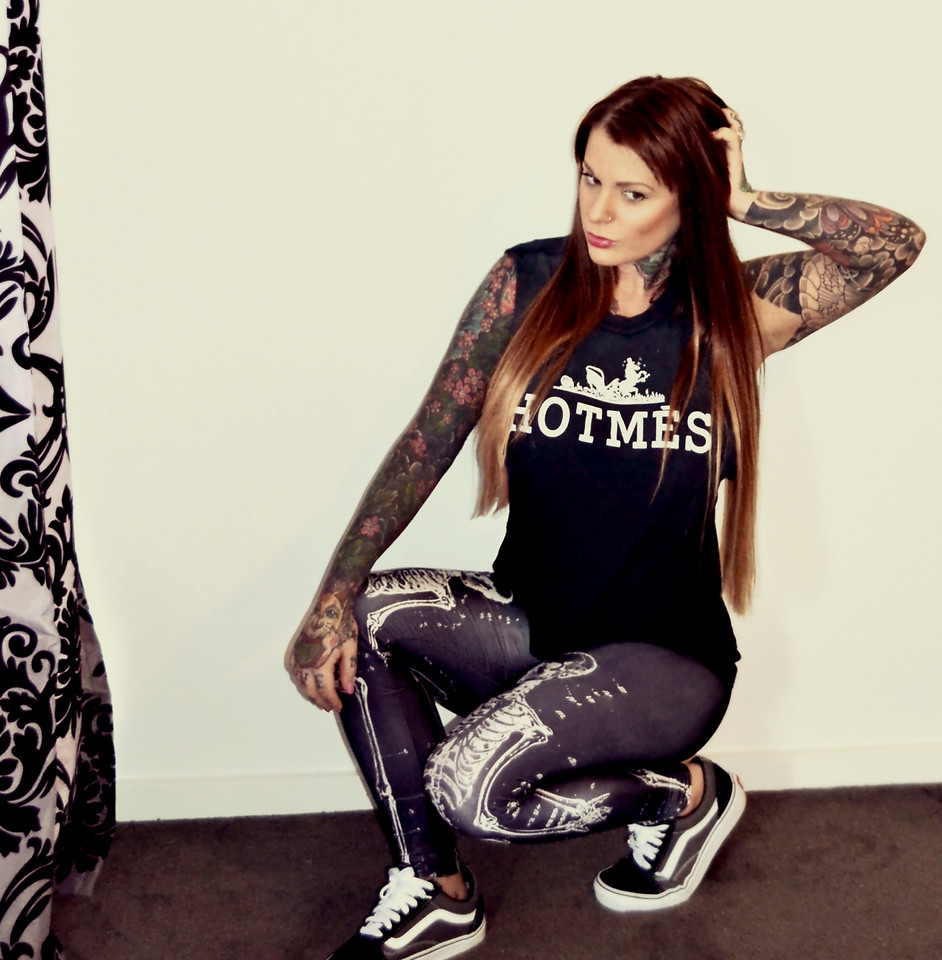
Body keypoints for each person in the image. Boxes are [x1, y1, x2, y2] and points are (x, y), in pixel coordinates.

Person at [285, 76, 925, 960]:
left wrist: (742, 197)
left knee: (469, 788)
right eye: (591, 178)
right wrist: (333, 591)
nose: (599, 210)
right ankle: (435, 888)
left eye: (633, 192)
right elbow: (429, 437)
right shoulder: (526, 283)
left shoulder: (737, 311)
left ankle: (683, 797)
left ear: (688, 195)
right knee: (362, 614)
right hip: (533, 621)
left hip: (663, 660)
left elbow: (895, 243)